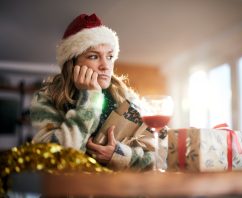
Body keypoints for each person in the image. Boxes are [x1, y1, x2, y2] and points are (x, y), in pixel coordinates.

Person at [30, 13, 167, 171]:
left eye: (109, 56)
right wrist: (90, 98)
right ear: (72, 63)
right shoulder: (46, 99)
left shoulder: (127, 97)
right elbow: (52, 159)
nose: (105, 66)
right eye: (94, 56)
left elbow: (163, 155)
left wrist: (119, 155)